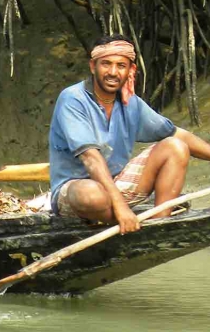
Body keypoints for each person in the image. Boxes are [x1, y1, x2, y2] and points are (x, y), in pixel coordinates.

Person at [49, 34, 210, 233]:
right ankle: (123, 220)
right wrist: (122, 209)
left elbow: (177, 134)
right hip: (78, 193)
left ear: (131, 70)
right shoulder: (73, 99)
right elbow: (90, 157)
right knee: (92, 195)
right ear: (93, 66)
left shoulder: (130, 103)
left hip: (117, 187)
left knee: (175, 147)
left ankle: (159, 228)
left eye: (121, 65)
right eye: (106, 64)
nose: (113, 72)